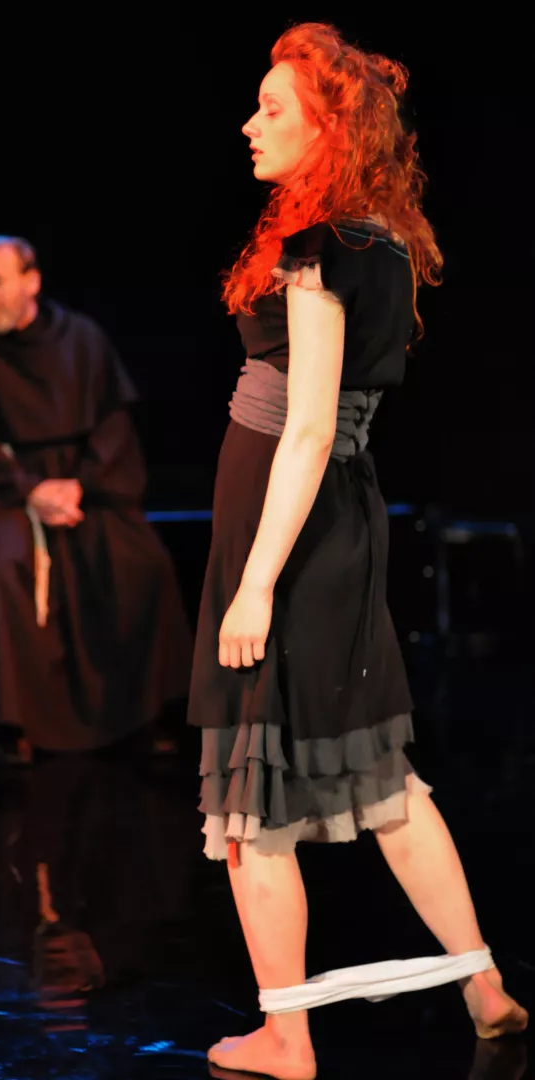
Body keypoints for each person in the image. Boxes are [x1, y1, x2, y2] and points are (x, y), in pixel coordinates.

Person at [186, 22, 528, 1080]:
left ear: (327, 130)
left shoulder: (320, 246)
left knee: (249, 795)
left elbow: (305, 426)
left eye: (273, 109)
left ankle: (288, 1035)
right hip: (339, 518)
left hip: (291, 529)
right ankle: (483, 986)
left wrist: (254, 584)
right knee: (380, 775)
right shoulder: (382, 241)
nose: (250, 125)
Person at [0, 236, 192, 761]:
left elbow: (114, 423)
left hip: (85, 484)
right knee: (6, 563)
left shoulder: (82, 338)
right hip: (7, 488)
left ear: (31, 281)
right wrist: (29, 489)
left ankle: (141, 711)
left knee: (141, 562)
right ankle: (13, 721)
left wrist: (79, 484)